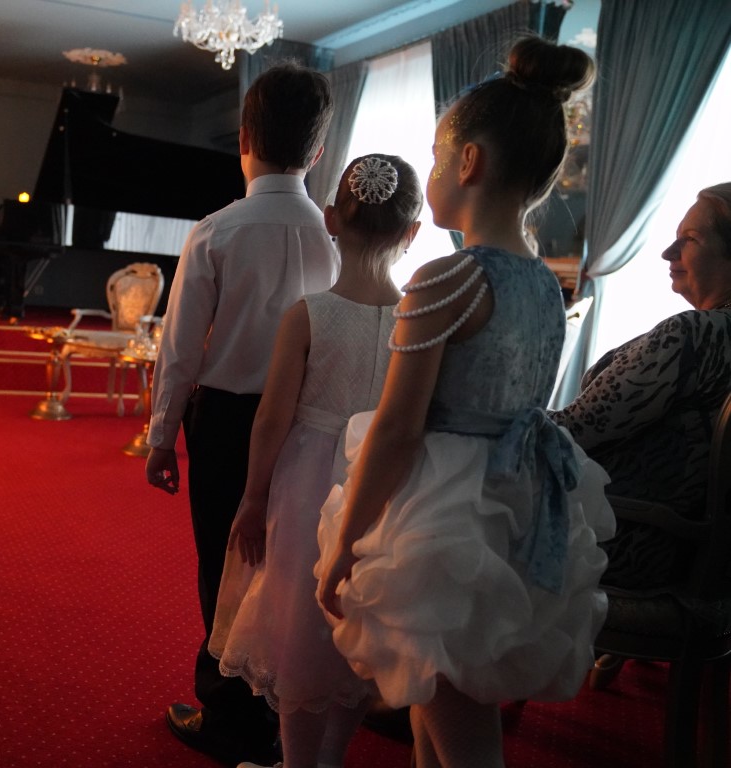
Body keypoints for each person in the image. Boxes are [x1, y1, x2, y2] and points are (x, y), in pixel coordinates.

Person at [314, 37, 615, 768]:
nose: (434, 170)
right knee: (438, 700)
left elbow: (396, 428)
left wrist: (347, 543)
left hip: (447, 511)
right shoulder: (546, 285)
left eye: (436, 156)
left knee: (458, 722)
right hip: (519, 499)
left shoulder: (446, 280)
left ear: (468, 162)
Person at [145, 62, 337, 767]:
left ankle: (229, 718)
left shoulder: (215, 231)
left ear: (243, 139)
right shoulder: (335, 237)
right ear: (319, 150)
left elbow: (179, 350)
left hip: (227, 423)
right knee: (290, 565)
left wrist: (161, 437)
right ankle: (285, 708)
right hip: (309, 424)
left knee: (225, 566)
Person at [207, 154, 422, 768]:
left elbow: (271, 418)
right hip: (382, 484)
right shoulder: (417, 319)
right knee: (355, 621)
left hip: (308, 484)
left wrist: (252, 498)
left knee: (300, 620)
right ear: (412, 233)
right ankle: (329, 758)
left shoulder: (309, 314)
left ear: (330, 219)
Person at [552, 182, 731, 684]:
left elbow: (575, 430)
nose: (668, 253)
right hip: (709, 559)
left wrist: (493, 422)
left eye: (690, 240)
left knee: (453, 509)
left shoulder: (693, 336)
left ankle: (440, 691)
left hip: (634, 546)